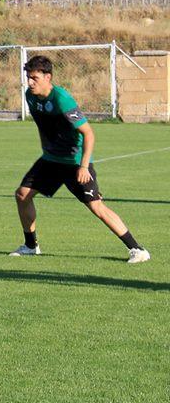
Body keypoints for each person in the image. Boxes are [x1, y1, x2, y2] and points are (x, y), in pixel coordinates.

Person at [11, 55, 149, 263]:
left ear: (48, 77)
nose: (30, 82)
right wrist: (47, 149)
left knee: (96, 206)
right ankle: (31, 246)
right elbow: (44, 126)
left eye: (34, 78)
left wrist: (84, 166)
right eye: (28, 77)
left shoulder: (62, 99)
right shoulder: (30, 97)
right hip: (51, 160)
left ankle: (137, 249)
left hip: (74, 162)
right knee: (22, 195)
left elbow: (88, 133)